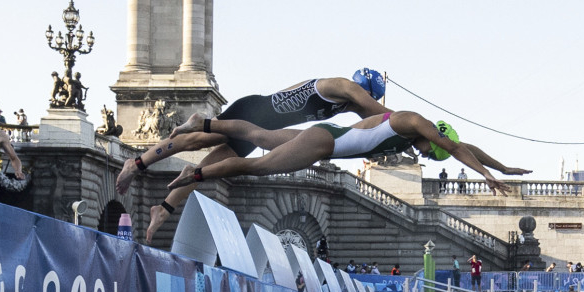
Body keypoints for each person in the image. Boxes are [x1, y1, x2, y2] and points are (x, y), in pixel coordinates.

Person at [117, 71, 392, 241]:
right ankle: (137, 163)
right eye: (370, 96)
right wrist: (412, 128)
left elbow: (370, 122)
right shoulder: (343, 86)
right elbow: (379, 114)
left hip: (260, 128)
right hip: (253, 112)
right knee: (196, 139)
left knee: (206, 170)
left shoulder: (345, 105)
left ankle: (163, 209)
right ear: (366, 89)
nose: (364, 101)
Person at [165, 109, 519, 197]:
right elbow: (455, 148)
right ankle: (193, 175)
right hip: (324, 144)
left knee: (261, 134)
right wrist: (486, 176)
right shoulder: (411, 120)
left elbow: (464, 147)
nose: (426, 156)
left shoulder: (409, 133)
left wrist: (500, 167)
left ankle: (202, 123)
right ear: (434, 135)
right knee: (257, 167)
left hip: (327, 137)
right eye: (432, 152)